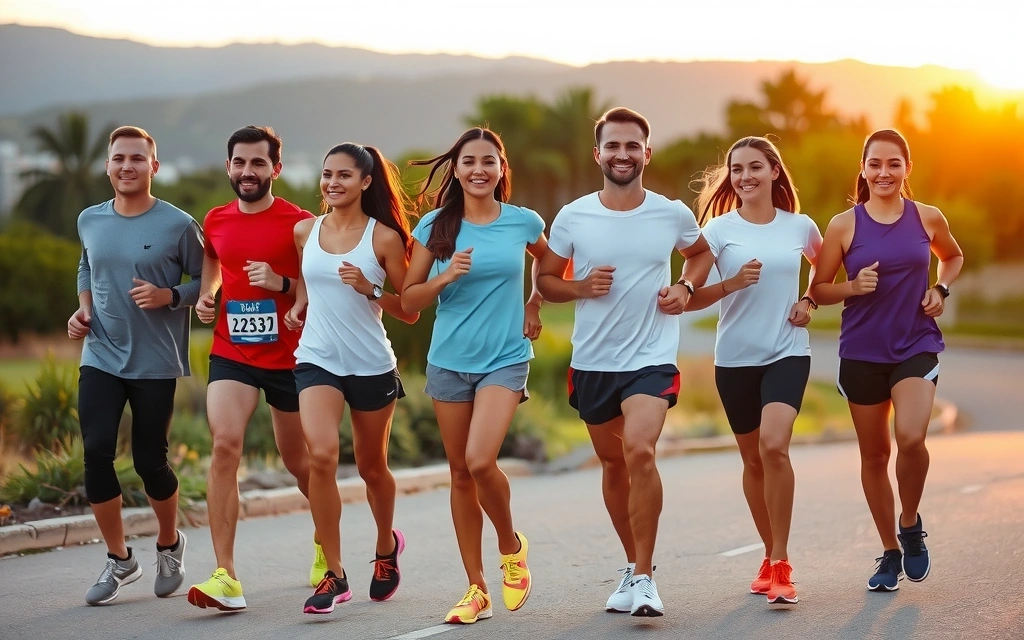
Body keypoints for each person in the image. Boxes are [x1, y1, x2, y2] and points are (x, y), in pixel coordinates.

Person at [537, 107, 713, 617]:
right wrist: (578, 287)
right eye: (613, 146)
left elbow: (699, 256)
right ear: (598, 154)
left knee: (639, 451)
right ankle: (633, 564)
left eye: (632, 145)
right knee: (613, 464)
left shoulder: (672, 213)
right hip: (593, 360)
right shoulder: (573, 216)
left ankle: (644, 576)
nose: (622, 154)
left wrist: (684, 285)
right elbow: (546, 282)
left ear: (646, 153)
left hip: (651, 357)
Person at [400, 127, 547, 625]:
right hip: (449, 361)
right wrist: (444, 276)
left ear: (502, 168)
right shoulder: (436, 227)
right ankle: (476, 588)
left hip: (506, 357)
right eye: (469, 161)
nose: (479, 169)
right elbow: (408, 300)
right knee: (460, 473)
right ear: (456, 169)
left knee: (480, 461)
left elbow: (549, 267)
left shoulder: (522, 222)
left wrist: (535, 300)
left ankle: (510, 546)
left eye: (489, 161)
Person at [810, 129, 964, 592]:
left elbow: (953, 257)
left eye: (893, 164)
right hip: (861, 350)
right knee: (875, 455)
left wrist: (940, 288)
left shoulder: (927, 217)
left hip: (915, 343)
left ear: (906, 168)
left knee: (911, 437)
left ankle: (910, 522)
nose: (883, 172)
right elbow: (818, 289)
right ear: (863, 169)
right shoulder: (843, 224)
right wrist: (852, 288)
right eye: (875, 164)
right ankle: (889, 551)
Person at [69, 125, 203, 605]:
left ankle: (169, 544)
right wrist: (84, 307)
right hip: (101, 353)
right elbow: (87, 264)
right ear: (107, 165)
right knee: (97, 451)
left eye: (137, 159)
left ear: (154, 166)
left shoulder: (178, 224)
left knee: (151, 461)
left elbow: (210, 280)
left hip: (155, 359)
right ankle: (119, 559)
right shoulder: (90, 218)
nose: (127, 166)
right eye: (119, 158)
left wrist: (172, 295)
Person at [283, 143, 419, 614]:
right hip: (317, 358)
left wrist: (371, 288)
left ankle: (386, 549)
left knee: (371, 468)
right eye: (327, 175)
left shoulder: (382, 239)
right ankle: (335, 574)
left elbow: (411, 310)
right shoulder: (305, 230)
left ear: (365, 183)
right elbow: (306, 275)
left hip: (369, 363)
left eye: (344, 175)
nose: (332, 183)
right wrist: (300, 304)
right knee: (320, 456)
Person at [688, 136, 822, 605]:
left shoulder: (801, 226)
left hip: (787, 351)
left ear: (774, 172)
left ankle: (782, 562)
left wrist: (808, 300)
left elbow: (823, 272)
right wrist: (731, 282)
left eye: (755, 168)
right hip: (735, 359)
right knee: (751, 460)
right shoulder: (719, 231)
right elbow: (691, 297)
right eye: (737, 170)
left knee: (774, 447)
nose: (745, 177)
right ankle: (768, 554)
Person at [187, 125, 316, 611]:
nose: (247, 172)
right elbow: (214, 259)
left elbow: (314, 284)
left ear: (275, 169)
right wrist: (207, 293)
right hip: (232, 351)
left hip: (291, 358)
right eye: (239, 163)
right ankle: (226, 575)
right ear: (228, 167)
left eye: (258, 163)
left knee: (300, 463)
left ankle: (327, 543)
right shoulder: (216, 218)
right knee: (224, 446)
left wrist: (282, 283)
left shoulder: (300, 222)